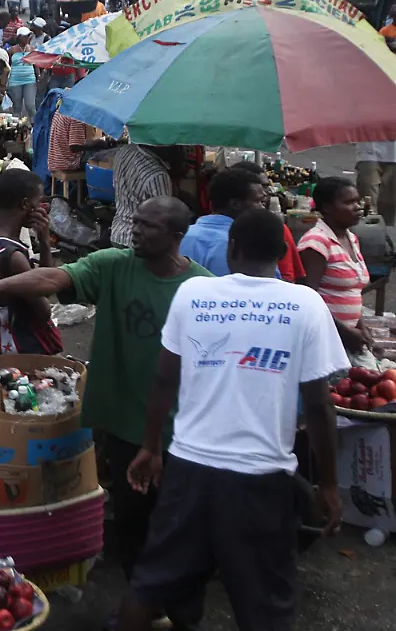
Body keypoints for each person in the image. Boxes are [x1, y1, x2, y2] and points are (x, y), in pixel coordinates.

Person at [0, 196, 212, 598]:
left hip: (184, 429)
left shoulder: (202, 288)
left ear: (177, 236)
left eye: (148, 226)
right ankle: (140, 600)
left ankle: (178, 603)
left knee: (180, 524)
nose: (136, 230)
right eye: (137, 222)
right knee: (132, 517)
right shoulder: (115, 264)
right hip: (126, 424)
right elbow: (53, 279)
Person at [117, 209, 344, 631]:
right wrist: (328, 483)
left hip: (189, 471)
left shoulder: (194, 293)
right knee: (265, 605)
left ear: (232, 248)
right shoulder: (306, 304)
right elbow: (318, 405)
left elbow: (165, 378)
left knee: (152, 587)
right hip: (260, 479)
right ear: (281, 253)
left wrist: (150, 447)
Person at [0, 168, 62, 355]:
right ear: (25, 204)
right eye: (39, 201)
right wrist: (45, 244)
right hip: (17, 349)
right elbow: (45, 309)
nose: (42, 207)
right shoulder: (14, 258)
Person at [298, 176, 371, 355]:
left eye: (358, 201)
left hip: (347, 340)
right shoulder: (316, 243)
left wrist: (362, 328)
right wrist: (344, 331)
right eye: (349, 202)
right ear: (327, 207)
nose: (358, 207)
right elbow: (308, 299)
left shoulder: (351, 239)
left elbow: (351, 292)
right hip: (323, 340)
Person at [178, 167, 268, 277]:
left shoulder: (181, 236)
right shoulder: (246, 244)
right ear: (235, 204)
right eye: (259, 201)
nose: (263, 208)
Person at [231, 161, 305, 283]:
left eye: (266, 186)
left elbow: (290, 276)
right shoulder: (274, 229)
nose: (265, 193)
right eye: (260, 187)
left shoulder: (277, 228)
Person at [111, 144, 175, 249]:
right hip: (140, 242)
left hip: (118, 234)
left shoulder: (124, 152)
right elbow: (164, 217)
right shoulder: (157, 175)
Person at [355, 141, 396, 226]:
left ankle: (385, 231)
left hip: (393, 154)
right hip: (368, 152)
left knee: (389, 200)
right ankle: (368, 228)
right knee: (367, 190)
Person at [6, 27, 37, 120]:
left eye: (28, 36)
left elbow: (36, 64)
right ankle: (17, 128)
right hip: (15, 81)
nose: (27, 38)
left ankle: (35, 126)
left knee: (30, 105)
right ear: (19, 37)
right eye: (25, 36)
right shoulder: (11, 50)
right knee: (17, 107)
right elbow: (7, 66)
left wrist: (38, 75)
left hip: (30, 80)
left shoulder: (32, 49)